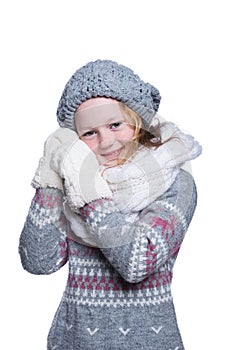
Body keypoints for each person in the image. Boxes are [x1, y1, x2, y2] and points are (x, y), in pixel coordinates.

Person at [19, 59, 202, 350]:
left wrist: (88, 189)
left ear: (137, 121)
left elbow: (137, 262)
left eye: (115, 125)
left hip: (150, 343)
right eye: (89, 133)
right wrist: (51, 176)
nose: (106, 142)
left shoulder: (176, 183)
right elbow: (38, 261)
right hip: (72, 341)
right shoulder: (75, 182)